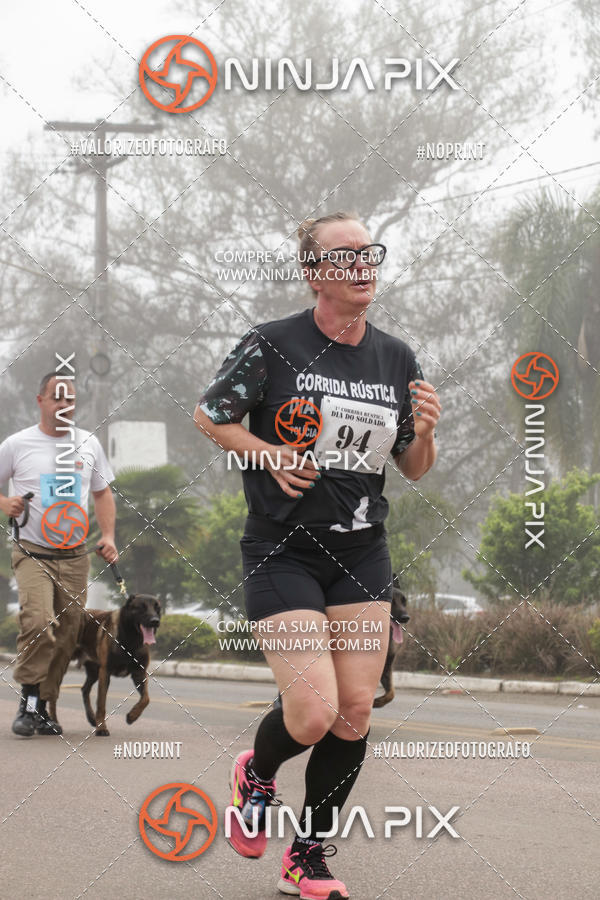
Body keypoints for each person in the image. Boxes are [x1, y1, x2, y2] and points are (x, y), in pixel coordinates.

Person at [194, 211, 441, 899]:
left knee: (355, 711)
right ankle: (258, 774)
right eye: (347, 256)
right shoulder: (270, 345)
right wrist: (265, 451)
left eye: (372, 253)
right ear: (314, 273)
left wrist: (426, 429)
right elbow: (210, 415)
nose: (364, 264)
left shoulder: (396, 357)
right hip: (282, 551)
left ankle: (308, 854)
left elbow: (414, 466)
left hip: (362, 552)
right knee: (311, 714)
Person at [0, 372, 118, 737]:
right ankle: (28, 703)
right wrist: (7, 502)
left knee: (67, 634)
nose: (64, 405)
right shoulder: (17, 445)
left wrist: (109, 535)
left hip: (75, 556)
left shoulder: (88, 444)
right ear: (41, 401)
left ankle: (45, 707)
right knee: (38, 623)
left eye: (70, 399)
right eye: (57, 398)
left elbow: (101, 493)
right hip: (31, 551)